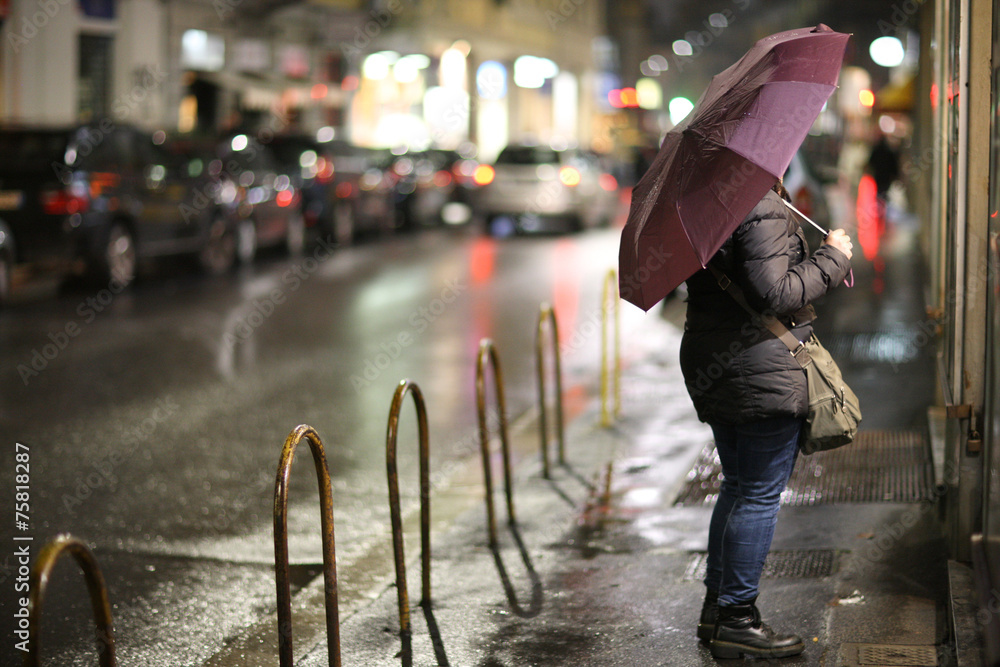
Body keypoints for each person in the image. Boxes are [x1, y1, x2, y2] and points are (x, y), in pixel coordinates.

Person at [678, 179, 853, 659]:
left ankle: (718, 610)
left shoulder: (704, 198)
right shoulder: (758, 203)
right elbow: (774, 291)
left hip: (715, 355)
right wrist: (833, 256)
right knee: (756, 494)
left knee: (737, 487)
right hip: (759, 361)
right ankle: (736, 617)